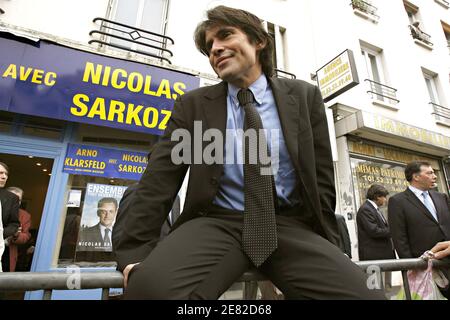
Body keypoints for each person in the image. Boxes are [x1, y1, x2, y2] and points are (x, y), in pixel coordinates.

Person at [115, 5, 385, 299]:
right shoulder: (193, 105)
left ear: (259, 41)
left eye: (225, 35)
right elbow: (159, 181)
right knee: (148, 292)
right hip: (216, 223)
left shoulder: (305, 97)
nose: (215, 49)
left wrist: (332, 247)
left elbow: (321, 180)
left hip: (287, 225)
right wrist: (134, 254)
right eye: (209, 46)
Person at [388, 161, 450, 297]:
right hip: (426, 267)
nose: (434, 176)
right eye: (429, 173)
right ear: (416, 177)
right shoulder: (398, 201)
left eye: (434, 172)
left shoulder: (442, 197)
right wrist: (413, 266)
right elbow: (399, 237)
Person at [357, 184, 395, 261]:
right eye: (384, 197)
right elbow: (374, 231)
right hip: (375, 256)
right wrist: (393, 231)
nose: (385, 200)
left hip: (382, 255)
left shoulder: (374, 209)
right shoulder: (366, 209)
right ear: (377, 196)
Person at [6, 187, 32, 272]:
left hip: (8, 254)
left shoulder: (24, 215)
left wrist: (16, 235)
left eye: (19, 200)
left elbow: (26, 236)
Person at [0, 162, 20, 272]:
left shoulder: (11, 198)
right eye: (0, 173)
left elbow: (14, 224)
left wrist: (0, 234)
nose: (4, 177)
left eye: (6, 174)